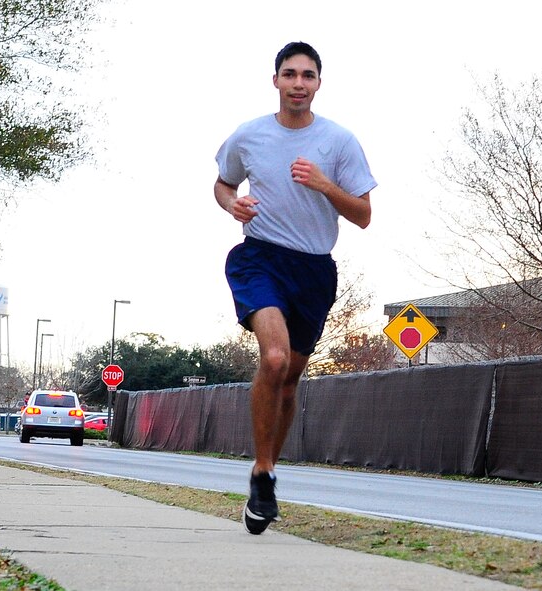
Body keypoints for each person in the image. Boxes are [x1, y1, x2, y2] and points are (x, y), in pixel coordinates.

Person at [213, 41, 376, 535]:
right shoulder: (250, 135)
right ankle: (262, 473)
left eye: (307, 75)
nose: (298, 83)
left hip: (313, 270)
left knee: (289, 380)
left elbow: (364, 215)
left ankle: (268, 470)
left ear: (319, 83)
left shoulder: (339, 141)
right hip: (260, 258)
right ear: (276, 81)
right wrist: (232, 205)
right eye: (290, 74)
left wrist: (325, 185)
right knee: (275, 358)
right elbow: (222, 183)